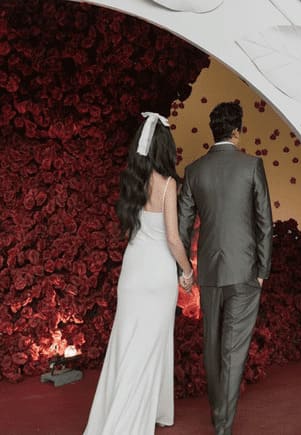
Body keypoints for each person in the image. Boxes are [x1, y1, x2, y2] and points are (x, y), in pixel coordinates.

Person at [84, 112, 193, 434]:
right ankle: (129, 421)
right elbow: (173, 238)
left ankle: (149, 411)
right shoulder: (168, 184)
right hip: (158, 274)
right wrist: (187, 271)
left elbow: (130, 231)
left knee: (127, 343)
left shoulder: (131, 180)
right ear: (165, 147)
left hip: (132, 272)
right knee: (151, 345)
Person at [178, 101, 273, 435]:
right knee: (233, 349)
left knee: (213, 345)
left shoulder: (194, 170)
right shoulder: (251, 166)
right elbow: (264, 222)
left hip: (209, 271)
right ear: (237, 130)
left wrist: (184, 270)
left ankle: (219, 413)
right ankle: (222, 425)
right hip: (245, 270)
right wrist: (262, 269)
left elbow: (183, 224)